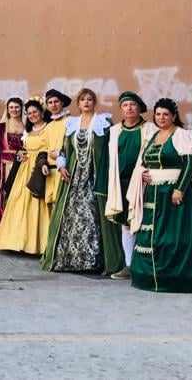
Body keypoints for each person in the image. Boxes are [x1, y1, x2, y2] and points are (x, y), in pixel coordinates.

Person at [126, 98, 192, 293]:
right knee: (152, 235)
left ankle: (176, 277)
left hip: (173, 194)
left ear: (173, 116)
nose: (161, 118)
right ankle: (149, 277)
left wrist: (179, 189)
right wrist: (142, 173)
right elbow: (144, 162)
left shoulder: (181, 135)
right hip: (153, 193)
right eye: (158, 114)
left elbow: (189, 165)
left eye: (165, 114)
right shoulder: (154, 136)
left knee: (175, 236)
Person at [41, 89, 112, 273]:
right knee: (70, 217)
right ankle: (71, 260)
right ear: (78, 104)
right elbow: (64, 149)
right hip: (73, 177)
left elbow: (110, 150)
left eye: (90, 99)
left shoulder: (103, 122)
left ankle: (92, 261)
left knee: (91, 214)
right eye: (82, 100)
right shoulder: (72, 123)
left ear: (94, 102)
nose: (86, 102)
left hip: (93, 176)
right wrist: (61, 165)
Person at [101, 91, 157, 280]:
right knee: (126, 224)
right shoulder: (115, 131)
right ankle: (129, 265)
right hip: (122, 183)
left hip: (143, 183)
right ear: (121, 109)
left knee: (144, 223)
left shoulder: (150, 129)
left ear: (139, 108)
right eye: (125, 105)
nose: (129, 108)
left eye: (133, 104)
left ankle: (147, 265)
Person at [0, 98, 58, 255]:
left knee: (37, 205)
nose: (32, 115)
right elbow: (24, 148)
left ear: (41, 112)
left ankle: (36, 244)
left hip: (40, 168)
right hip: (24, 168)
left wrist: (43, 162)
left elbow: (50, 148)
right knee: (17, 202)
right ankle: (15, 241)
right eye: (29, 113)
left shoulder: (48, 128)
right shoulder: (28, 130)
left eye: (35, 112)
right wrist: (20, 153)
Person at [0, 97, 25, 231]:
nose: (14, 110)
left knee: (20, 199)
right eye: (11, 107)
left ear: (21, 108)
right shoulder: (1, 126)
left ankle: (18, 231)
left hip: (22, 167)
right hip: (6, 168)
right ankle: (5, 231)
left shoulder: (27, 126)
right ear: (7, 110)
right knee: (7, 197)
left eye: (17, 107)